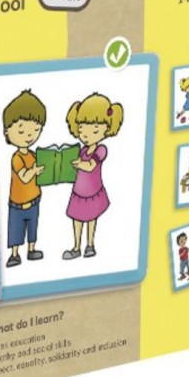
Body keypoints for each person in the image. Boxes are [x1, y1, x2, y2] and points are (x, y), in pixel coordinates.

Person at [62, 93, 123, 260]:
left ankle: (90, 245)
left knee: (91, 219)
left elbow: (90, 165)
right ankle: (76, 247)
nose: (87, 134)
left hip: (93, 192)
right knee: (76, 220)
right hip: (78, 193)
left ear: (106, 129)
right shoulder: (81, 150)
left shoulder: (100, 150)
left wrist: (79, 164)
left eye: (95, 129)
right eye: (82, 129)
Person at [2, 90, 46, 268]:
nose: (29, 135)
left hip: (34, 200)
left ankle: (31, 249)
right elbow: (24, 177)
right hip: (17, 204)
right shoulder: (17, 158)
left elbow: (36, 176)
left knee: (32, 227)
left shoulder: (34, 155)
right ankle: (14, 254)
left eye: (35, 130)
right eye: (21, 130)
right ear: (7, 132)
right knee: (16, 229)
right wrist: (34, 171)